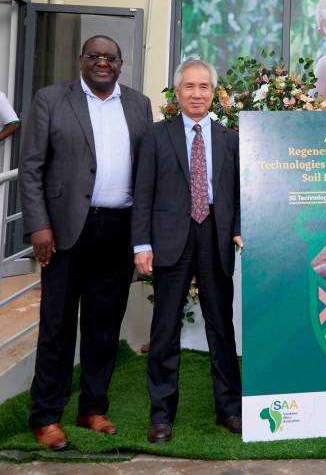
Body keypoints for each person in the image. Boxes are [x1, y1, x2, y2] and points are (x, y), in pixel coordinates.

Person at [20, 35, 153, 450]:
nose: (101, 63)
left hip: (117, 231)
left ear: (121, 63)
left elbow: (146, 169)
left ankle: (93, 408)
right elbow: (31, 168)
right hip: (63, 233)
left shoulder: (138, 104)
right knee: (56, 327)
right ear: (81, 60)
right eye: (93, 56)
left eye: (109, 58)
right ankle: (46, 416)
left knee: (103, 326)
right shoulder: (50, 99)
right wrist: (39, 226)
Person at [132, 58, 244, 444]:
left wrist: (238, 230)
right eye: (189, 87)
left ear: (214, 93)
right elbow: (142, 193)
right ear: (177, 92)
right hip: (169, 238)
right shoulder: (156, 136)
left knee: (221, 327)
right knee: (164, 329)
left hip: (214, 236)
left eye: (204, 87)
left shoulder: (230, 138)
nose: (197, 94)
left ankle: (230, 408)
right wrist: (141, 244)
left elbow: (239, 195)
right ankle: (161, 414)